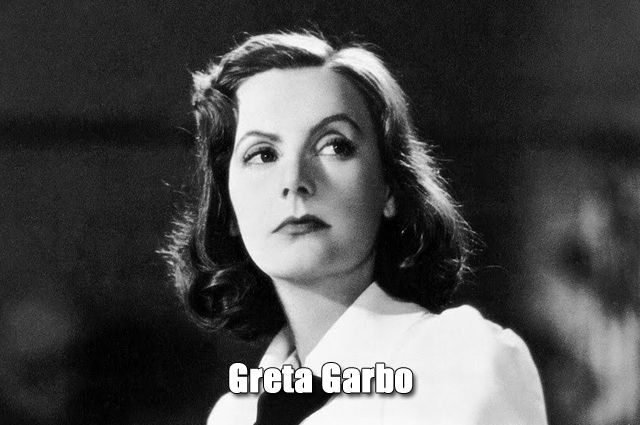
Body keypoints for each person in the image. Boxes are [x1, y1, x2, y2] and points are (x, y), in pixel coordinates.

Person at [162, 31, 547, 424]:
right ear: (228, 208)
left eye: (334, 146)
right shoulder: (235, 414)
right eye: (262, 154)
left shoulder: (457, 365)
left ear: (389, 187)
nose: (295, 180)